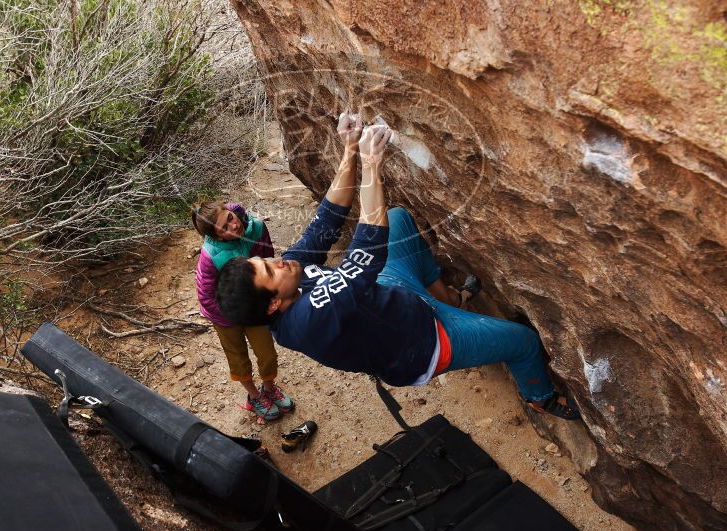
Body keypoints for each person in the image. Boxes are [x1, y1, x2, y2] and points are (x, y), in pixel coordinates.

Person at [215, 113, 579, 420]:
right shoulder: (307, 322)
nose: (276, 260)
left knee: (398, 219)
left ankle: (448, 297)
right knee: (524, 342)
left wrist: (351, 148)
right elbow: (365, 251)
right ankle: (540, 397)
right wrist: (373, 165)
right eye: (269, 270)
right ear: (272, 304)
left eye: (263, 260)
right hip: (424, 344)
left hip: (397, 296)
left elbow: (328, 218)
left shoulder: (290, 274)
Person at [192, 200, 294, 421]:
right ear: (217, 237)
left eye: (230, 218)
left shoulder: (256, 228)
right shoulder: (211, 255)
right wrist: (234, 316)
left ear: (231, 210)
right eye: (224, 229)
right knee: (238, 357)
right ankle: (254, 395)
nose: (233, 226)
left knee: (266, 352)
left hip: (253, 306)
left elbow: (268, 256)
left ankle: (269, 388)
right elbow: (206, 297)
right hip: (224, 314)